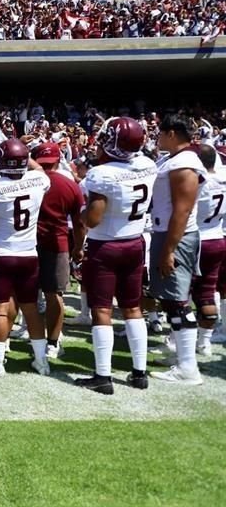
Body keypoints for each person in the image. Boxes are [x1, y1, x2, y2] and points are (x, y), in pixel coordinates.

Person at [74, 117, 157, 394]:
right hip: (134, 243)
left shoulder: (102, 174)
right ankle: (139, 372)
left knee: (102, 310)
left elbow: (94, 219)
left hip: (106, 247)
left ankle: (103, 375)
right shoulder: (146, 164)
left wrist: (81, 213)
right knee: (133, 308)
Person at [0, 138, 51, 377]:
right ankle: (41, 360)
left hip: (2, 255)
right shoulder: (38, 181)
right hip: (29, 255)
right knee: (31, 309)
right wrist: (24, 154)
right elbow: (37, 169)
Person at [149, 114, 204, 384]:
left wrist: (169, 249)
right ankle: (181, 356)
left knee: (178, 301)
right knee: (171, 299)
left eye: (161, 133)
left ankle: (187, 367)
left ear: (172, 133)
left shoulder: (184, 163)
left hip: (176, 236)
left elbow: (182, 210)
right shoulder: (175, 159)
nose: (157, 137)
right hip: (167, 232)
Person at [32, 141, 86, 360]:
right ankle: (53, 341)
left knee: (20, 295)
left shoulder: (27, 181)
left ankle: (5, 341)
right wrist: (79, 248)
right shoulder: (69, 184)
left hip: (26, 243)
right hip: (58, 243)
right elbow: (80, 223)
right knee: (54, 295)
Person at [191, 144, 225, 357]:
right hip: (217, 237)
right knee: (207, 293)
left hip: (196, 238)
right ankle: (204, 343)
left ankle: (176, 343)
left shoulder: (199, 183)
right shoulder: (223, 179)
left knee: (181, 296)